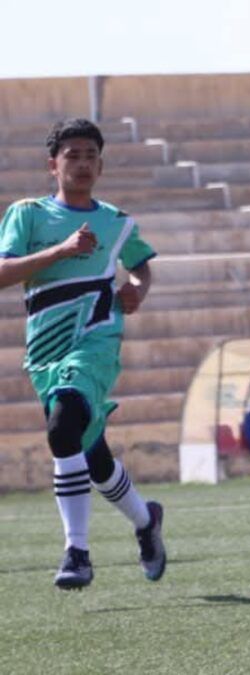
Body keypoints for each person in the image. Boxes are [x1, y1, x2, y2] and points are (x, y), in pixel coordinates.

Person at [0, 119, 167, 590]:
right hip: (44, 350)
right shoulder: (27, 214)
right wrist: (61, 250)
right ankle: (145, 520)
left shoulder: (117, 221)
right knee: (90, 454)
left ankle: (77, 552)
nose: (82, 163)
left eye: (91, 155)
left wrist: (137, 288)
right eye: (72, 155)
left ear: (101, 163)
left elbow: (141, 267)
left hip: (96, 342)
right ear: (52, 164)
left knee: (63, 425)